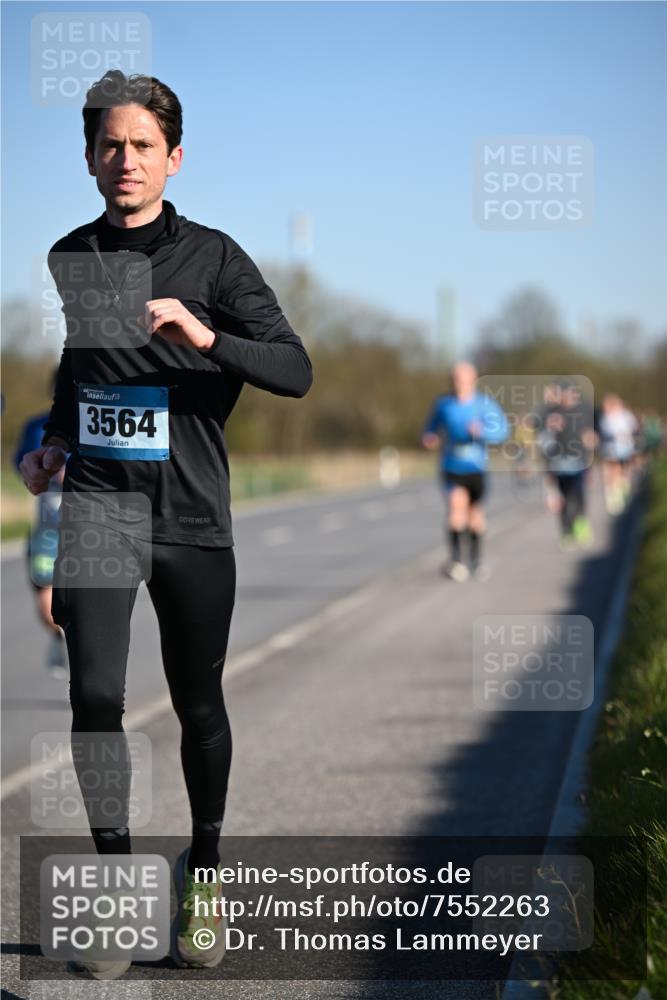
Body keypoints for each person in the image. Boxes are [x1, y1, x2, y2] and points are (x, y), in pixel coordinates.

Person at [19, 70, 312, 979]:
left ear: (173, 158)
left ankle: (208, 873)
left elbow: (295, 370)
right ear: (88, 158)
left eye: (143, 145)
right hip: (101, 507)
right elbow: (85, 365)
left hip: (189, 515)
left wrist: (203, 334)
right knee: (95, 695)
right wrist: (56, 440)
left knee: (197, 705)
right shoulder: (74, 254)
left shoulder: (215, 260)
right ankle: (114, 889)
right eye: (110, 144)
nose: (125, 160)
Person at [422, 361, 508, 581]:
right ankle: (457, 561)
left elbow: (502, 431)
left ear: (474, 380)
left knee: (475, 515)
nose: (459, 383)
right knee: (455, 508)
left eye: (463, 379)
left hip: (476, 467)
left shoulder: (484, 404)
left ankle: (476, 561)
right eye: (455, 379)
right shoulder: (444, 404)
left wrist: (482, 431)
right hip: (451, 466)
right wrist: (429, 438)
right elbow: (431, 428)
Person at [13, 372, 68, 678]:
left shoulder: (101, 421)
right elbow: (21, 465)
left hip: (94, 524)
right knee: (46, 602)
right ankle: (61, 637)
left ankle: (84, 646)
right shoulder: (36, 426)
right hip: (49, 527)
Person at [536, 379, 596, 548]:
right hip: (558, 461)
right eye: (565, 393)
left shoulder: (584, 410)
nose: (570, 397)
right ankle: (566, 531)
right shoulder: (551, 412)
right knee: (563, 498)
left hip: (579, 460)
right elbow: (541, 434)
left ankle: (581, 525)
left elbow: (590, 436)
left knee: (578, 495)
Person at [597, 393, 639, 514]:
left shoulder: (626, 415)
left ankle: (623, 486)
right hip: (611, 448)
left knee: (624, 470)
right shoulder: (606, 417)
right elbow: (604, 430)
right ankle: (614, 495)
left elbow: (634, 427)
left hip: (625, 448)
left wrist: (626, 434)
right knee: (613, 470)